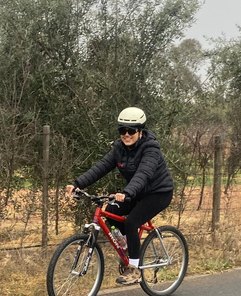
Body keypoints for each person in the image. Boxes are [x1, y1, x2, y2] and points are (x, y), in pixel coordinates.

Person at [65, 107, 174, 285]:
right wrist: (78, 184)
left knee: (132, 222)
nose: (126, 134)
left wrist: (126, 193)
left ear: (140, 131)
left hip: (158, 193)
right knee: (112, 213)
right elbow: (101, 167)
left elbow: (143, 174)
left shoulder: (151, 149)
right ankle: (129, 247)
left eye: (131, 131)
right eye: (122, 130)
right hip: (136, 192)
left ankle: (134, 268)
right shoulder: (119, 148)